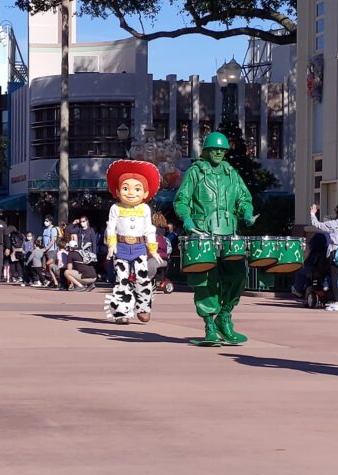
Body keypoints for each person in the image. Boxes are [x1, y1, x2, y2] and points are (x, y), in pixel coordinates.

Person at [174, 133, 254, 343]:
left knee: (238, 276)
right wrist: (187, 220)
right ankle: (209, 325)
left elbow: (244, 198)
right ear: (206, 151)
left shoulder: (232, 174)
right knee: (205, 281)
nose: (219, 152)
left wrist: (247, 212)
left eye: (222, 150)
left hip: (229, 235)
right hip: (203, 235)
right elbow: (181, 200)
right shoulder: (195, 173)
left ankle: (224, 317)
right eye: (214, 149)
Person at [104, 160, 163, 323]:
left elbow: (149, 229)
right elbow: (111, 227)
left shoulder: (144, 209)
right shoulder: (115, 208)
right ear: (117, 191)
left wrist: (153, 249)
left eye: (137, 189)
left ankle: (143, 308)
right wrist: (112, 244)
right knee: (121, 280)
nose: (131, 193)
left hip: (139, 248)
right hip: (121, 248)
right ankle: (121, 312)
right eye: (125, 188)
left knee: (142, 278)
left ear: (144, 193)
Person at [309, 203, 338, 311]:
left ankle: (336, 301)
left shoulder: (333, 224)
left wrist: (312, 213)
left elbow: (317, 224)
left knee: (334, 278)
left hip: (334, 252)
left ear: (337, 212)